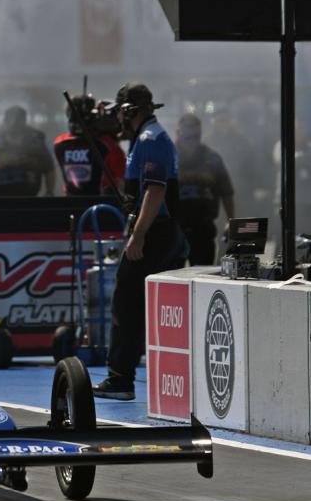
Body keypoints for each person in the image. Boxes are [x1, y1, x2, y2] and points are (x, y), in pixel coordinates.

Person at [94, 83, 186, 400]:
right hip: (160, 231)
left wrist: (138, 235)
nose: (117, 118)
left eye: (121, 111)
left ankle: (121, 379)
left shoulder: (150, 139)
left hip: (156, 233)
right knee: (140, 304)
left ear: (130, 111)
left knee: (126, 302)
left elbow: (155, 190)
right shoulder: (146, 137)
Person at [175, 113, 235, 265]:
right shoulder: (168, 156)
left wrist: (231, 221)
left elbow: (226, 192)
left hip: (202, 227)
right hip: (174, 229)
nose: (193, 141)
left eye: (197, 136)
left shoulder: (212, 158)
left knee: (201, 275)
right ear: (178, 134)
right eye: (188, 137)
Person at [53, 94, 126, 196]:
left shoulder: (59, 143)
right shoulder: (107, 145)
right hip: (101, 205)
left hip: (70, 203)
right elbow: (123, 176)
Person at [0, 105, 55, 196]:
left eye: (18, 125)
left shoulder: (36, 140)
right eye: (11, 125)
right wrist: (3, 163)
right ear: (5, 122)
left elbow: (49, 168)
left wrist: (49, 191)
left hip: (29, 194)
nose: (14, 129)